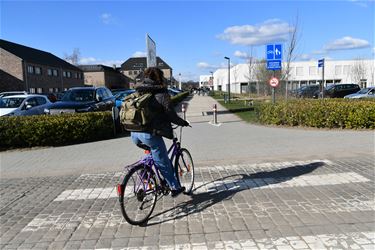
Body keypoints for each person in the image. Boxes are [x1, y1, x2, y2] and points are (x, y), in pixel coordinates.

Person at [131, 67, 190, 197]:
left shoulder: (139, 90)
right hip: (149, 134)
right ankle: (175, 187)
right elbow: (171, 114)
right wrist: (183, 122)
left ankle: (144, 172)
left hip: (134, 133)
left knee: (154, 153)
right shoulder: (162, 93)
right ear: (159, 77)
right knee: (163, 161)